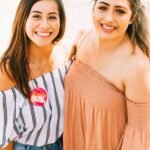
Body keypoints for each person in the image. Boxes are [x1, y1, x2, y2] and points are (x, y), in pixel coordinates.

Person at [63, 0, 150, 149]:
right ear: (93, 9)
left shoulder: (137, 67)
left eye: (120, 11)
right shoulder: (82, 37)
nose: (109, 18)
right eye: (103, 7)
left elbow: (139, 137)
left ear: (132, 17)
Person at [0, 0, 72, 149]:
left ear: (61, 20)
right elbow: (4, 138)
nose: (45, 25)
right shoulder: (8, 69)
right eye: (36, 16)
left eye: (52, 17)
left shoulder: (66, 55)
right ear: (23, 18)